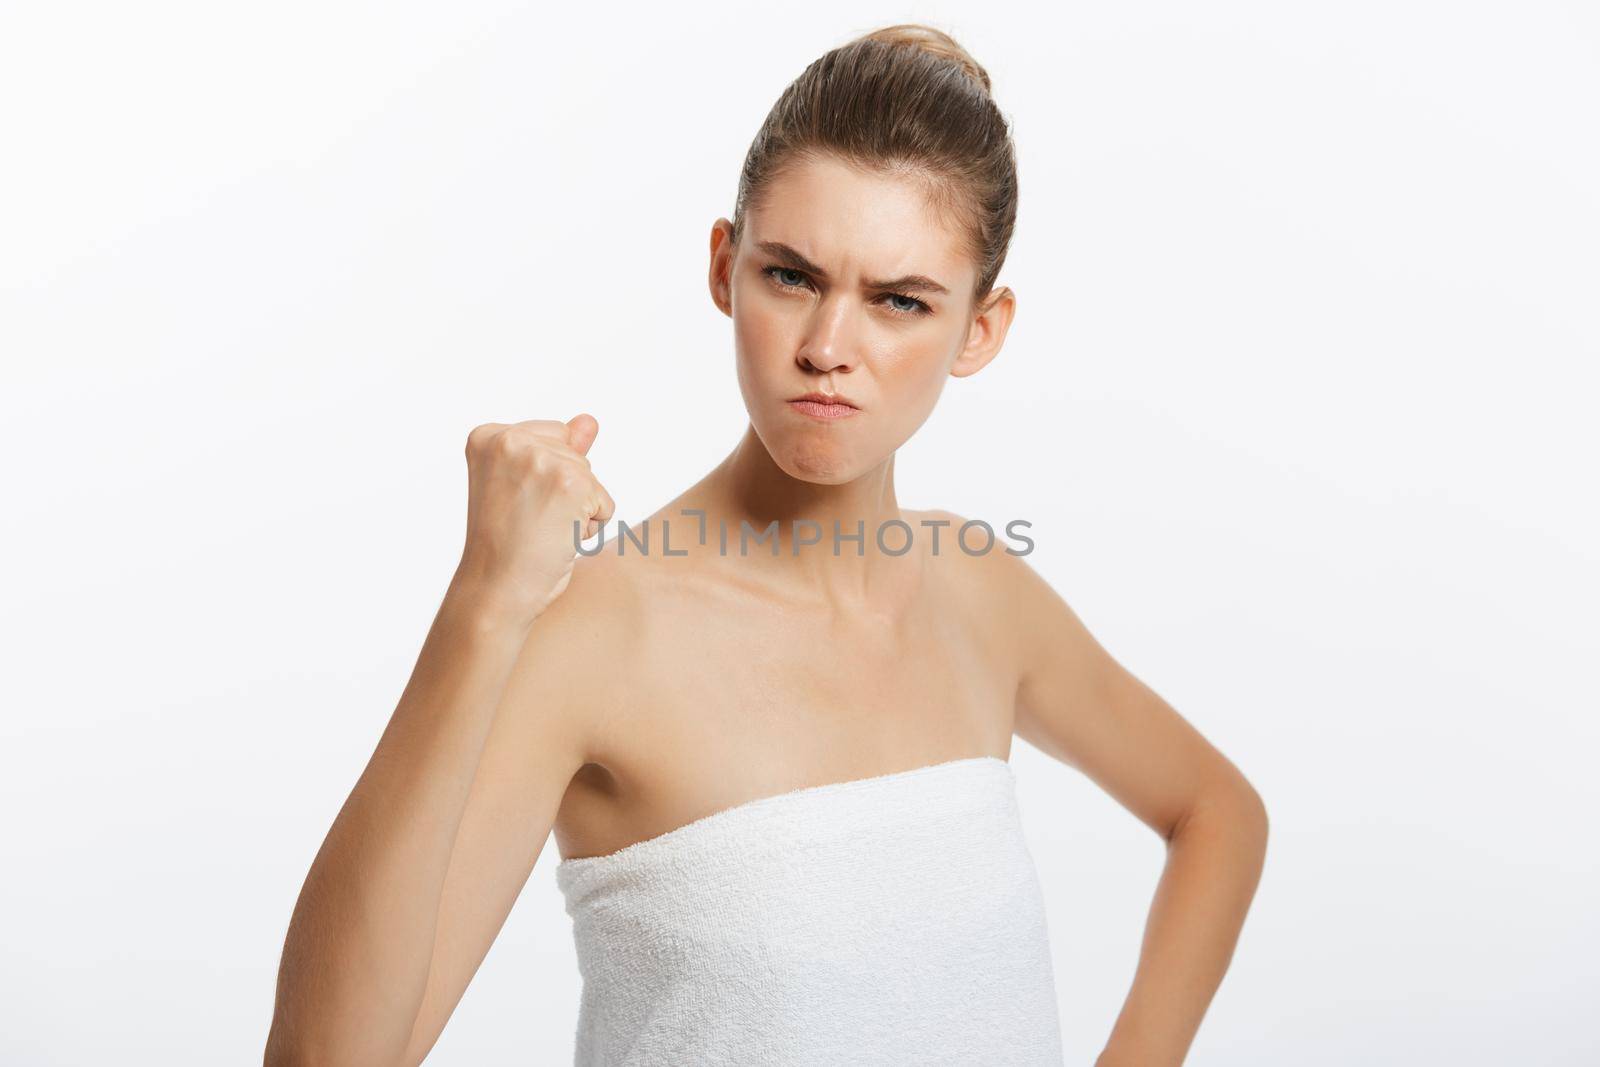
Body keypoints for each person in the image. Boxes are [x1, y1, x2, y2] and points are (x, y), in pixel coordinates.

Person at [264, 23, 1268, 1067]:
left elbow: (1216, 812)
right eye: (791, 276)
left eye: (898, 300)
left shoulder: (978, 588)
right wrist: (481, 604)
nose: (828, 349)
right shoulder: (594, 629)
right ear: (723, 266)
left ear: (979, 328)